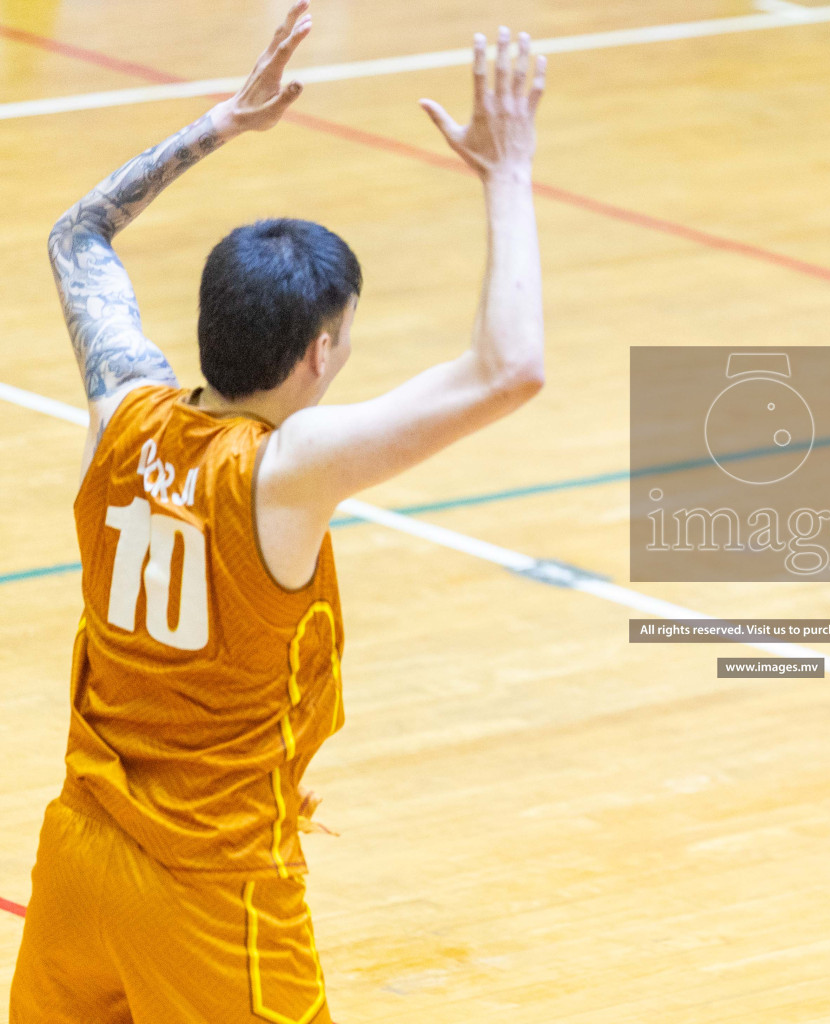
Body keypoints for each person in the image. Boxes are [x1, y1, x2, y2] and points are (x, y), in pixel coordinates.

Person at [9, 5, 548, 1021]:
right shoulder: (283, 471)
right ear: (317, 354)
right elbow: (510, 366)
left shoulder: (123, 406)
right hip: (209, 891)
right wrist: (508, 171)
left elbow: (78, 234)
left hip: (79, 854)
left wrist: (224, 120)